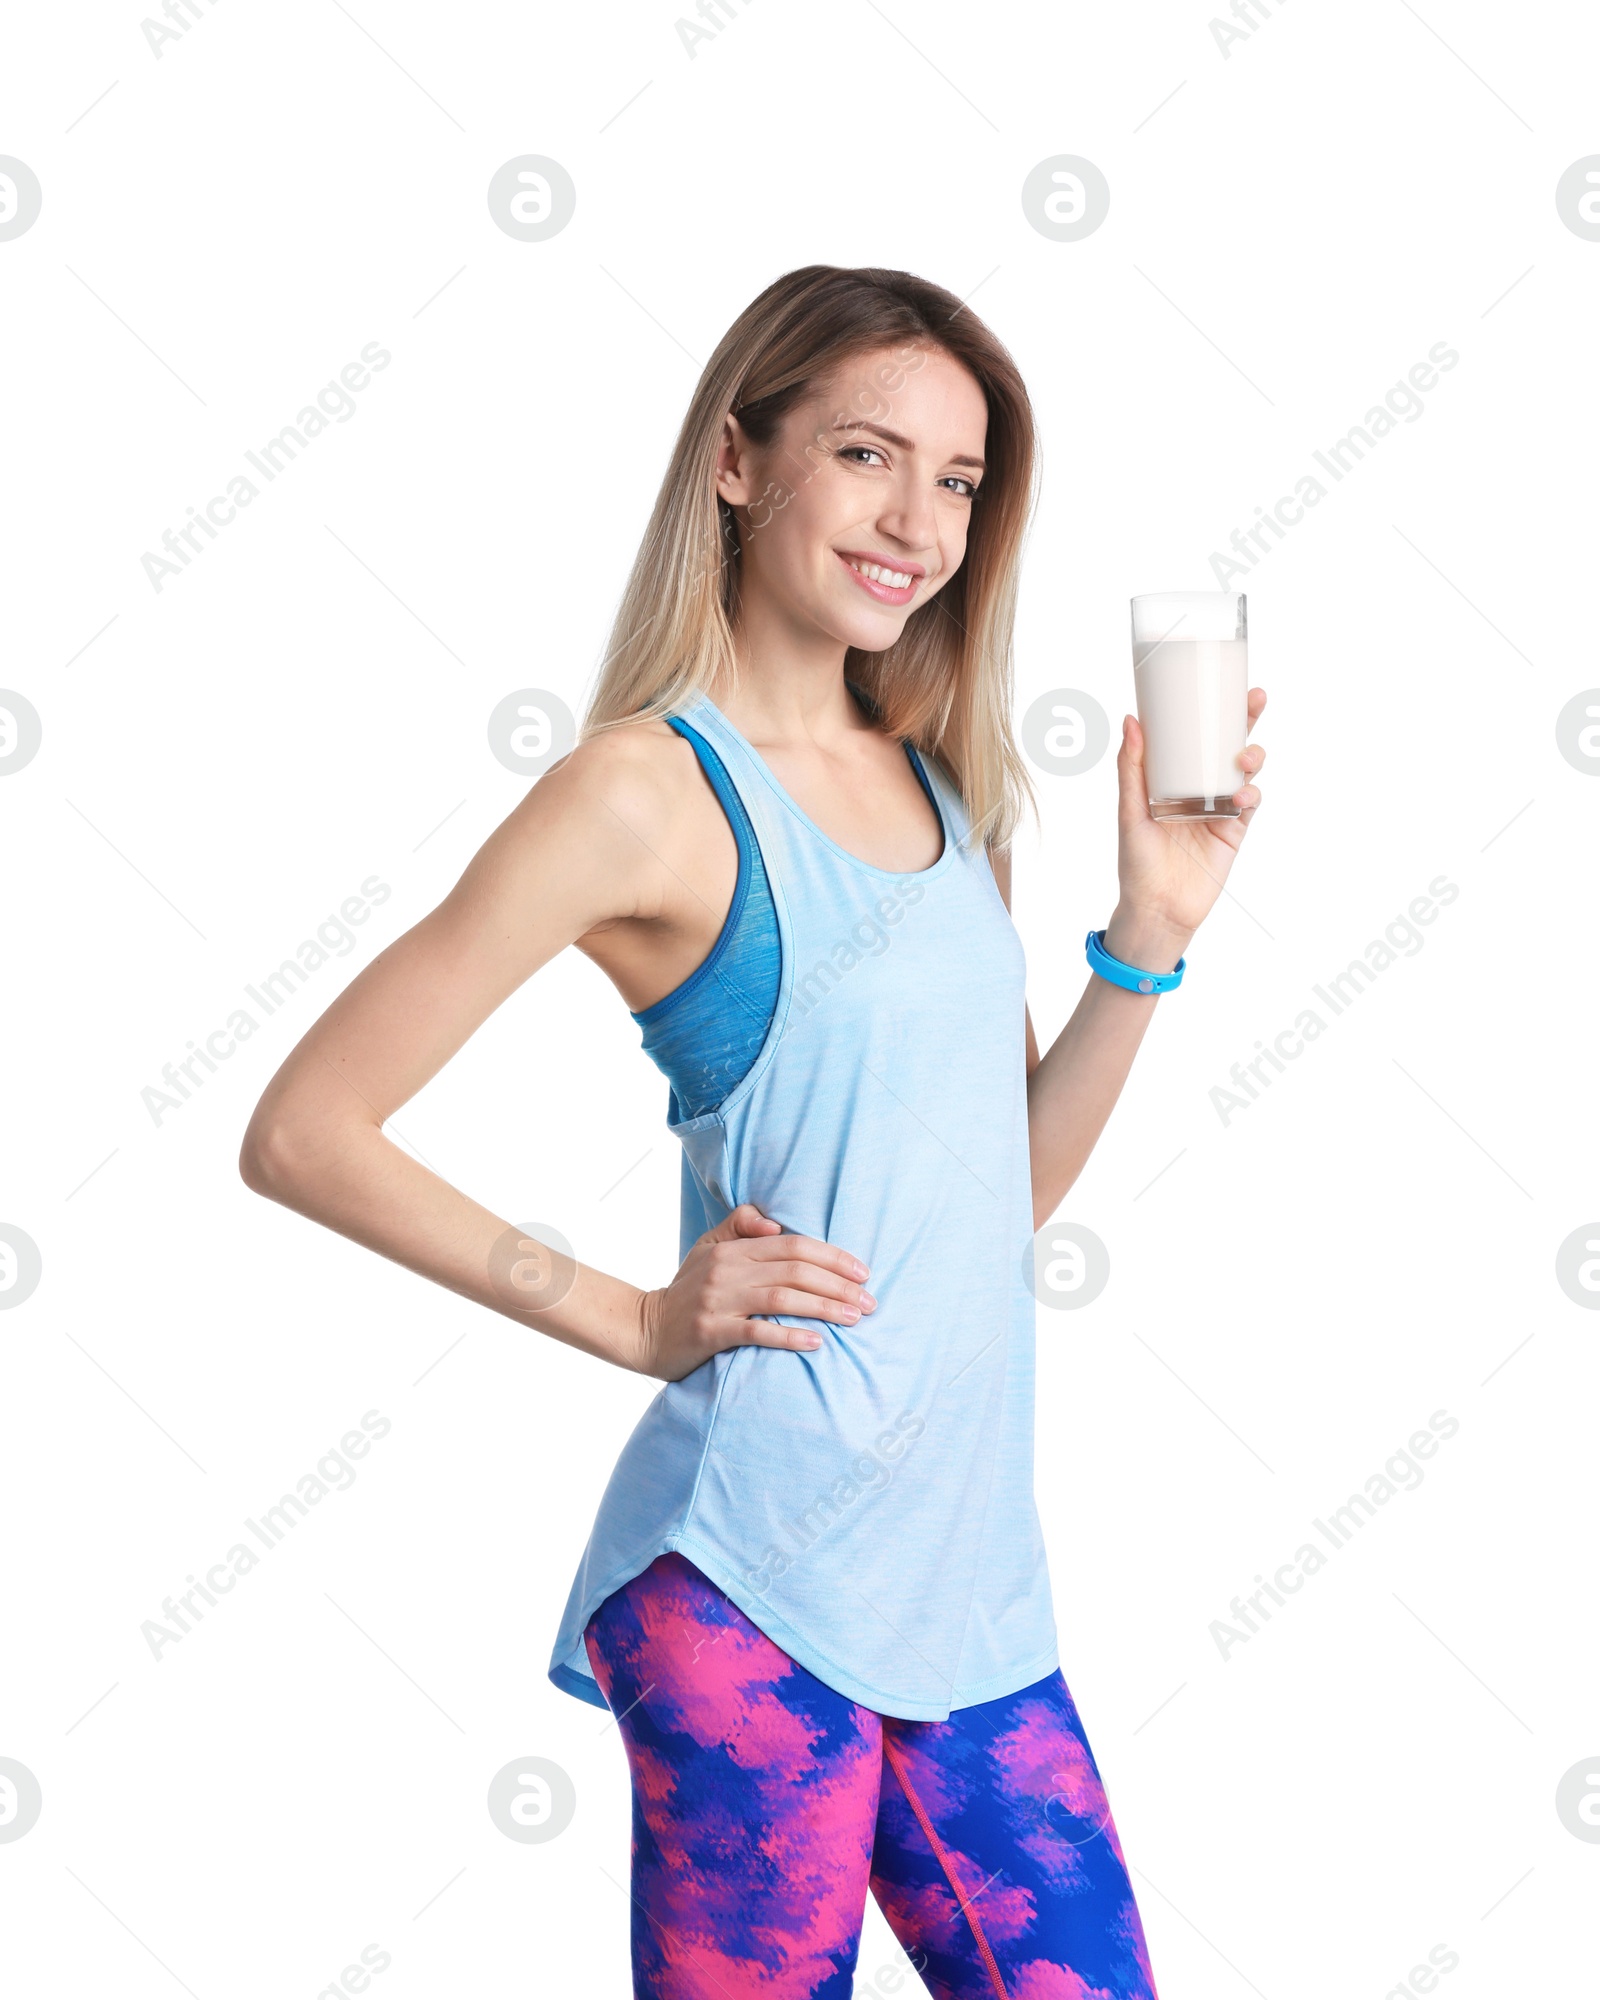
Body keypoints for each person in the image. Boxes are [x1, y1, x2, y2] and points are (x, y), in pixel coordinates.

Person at [241, 264, 1266, 1999]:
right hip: (751, 1587)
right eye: (869, 455)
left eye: (957, 482)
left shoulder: (944, 777)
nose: (917, 522)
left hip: (971, 1595)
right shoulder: (641, 790)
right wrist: (634, 1319)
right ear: (738, 458)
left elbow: (991, 1193)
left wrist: (1148, 936)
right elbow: (307, 1130)